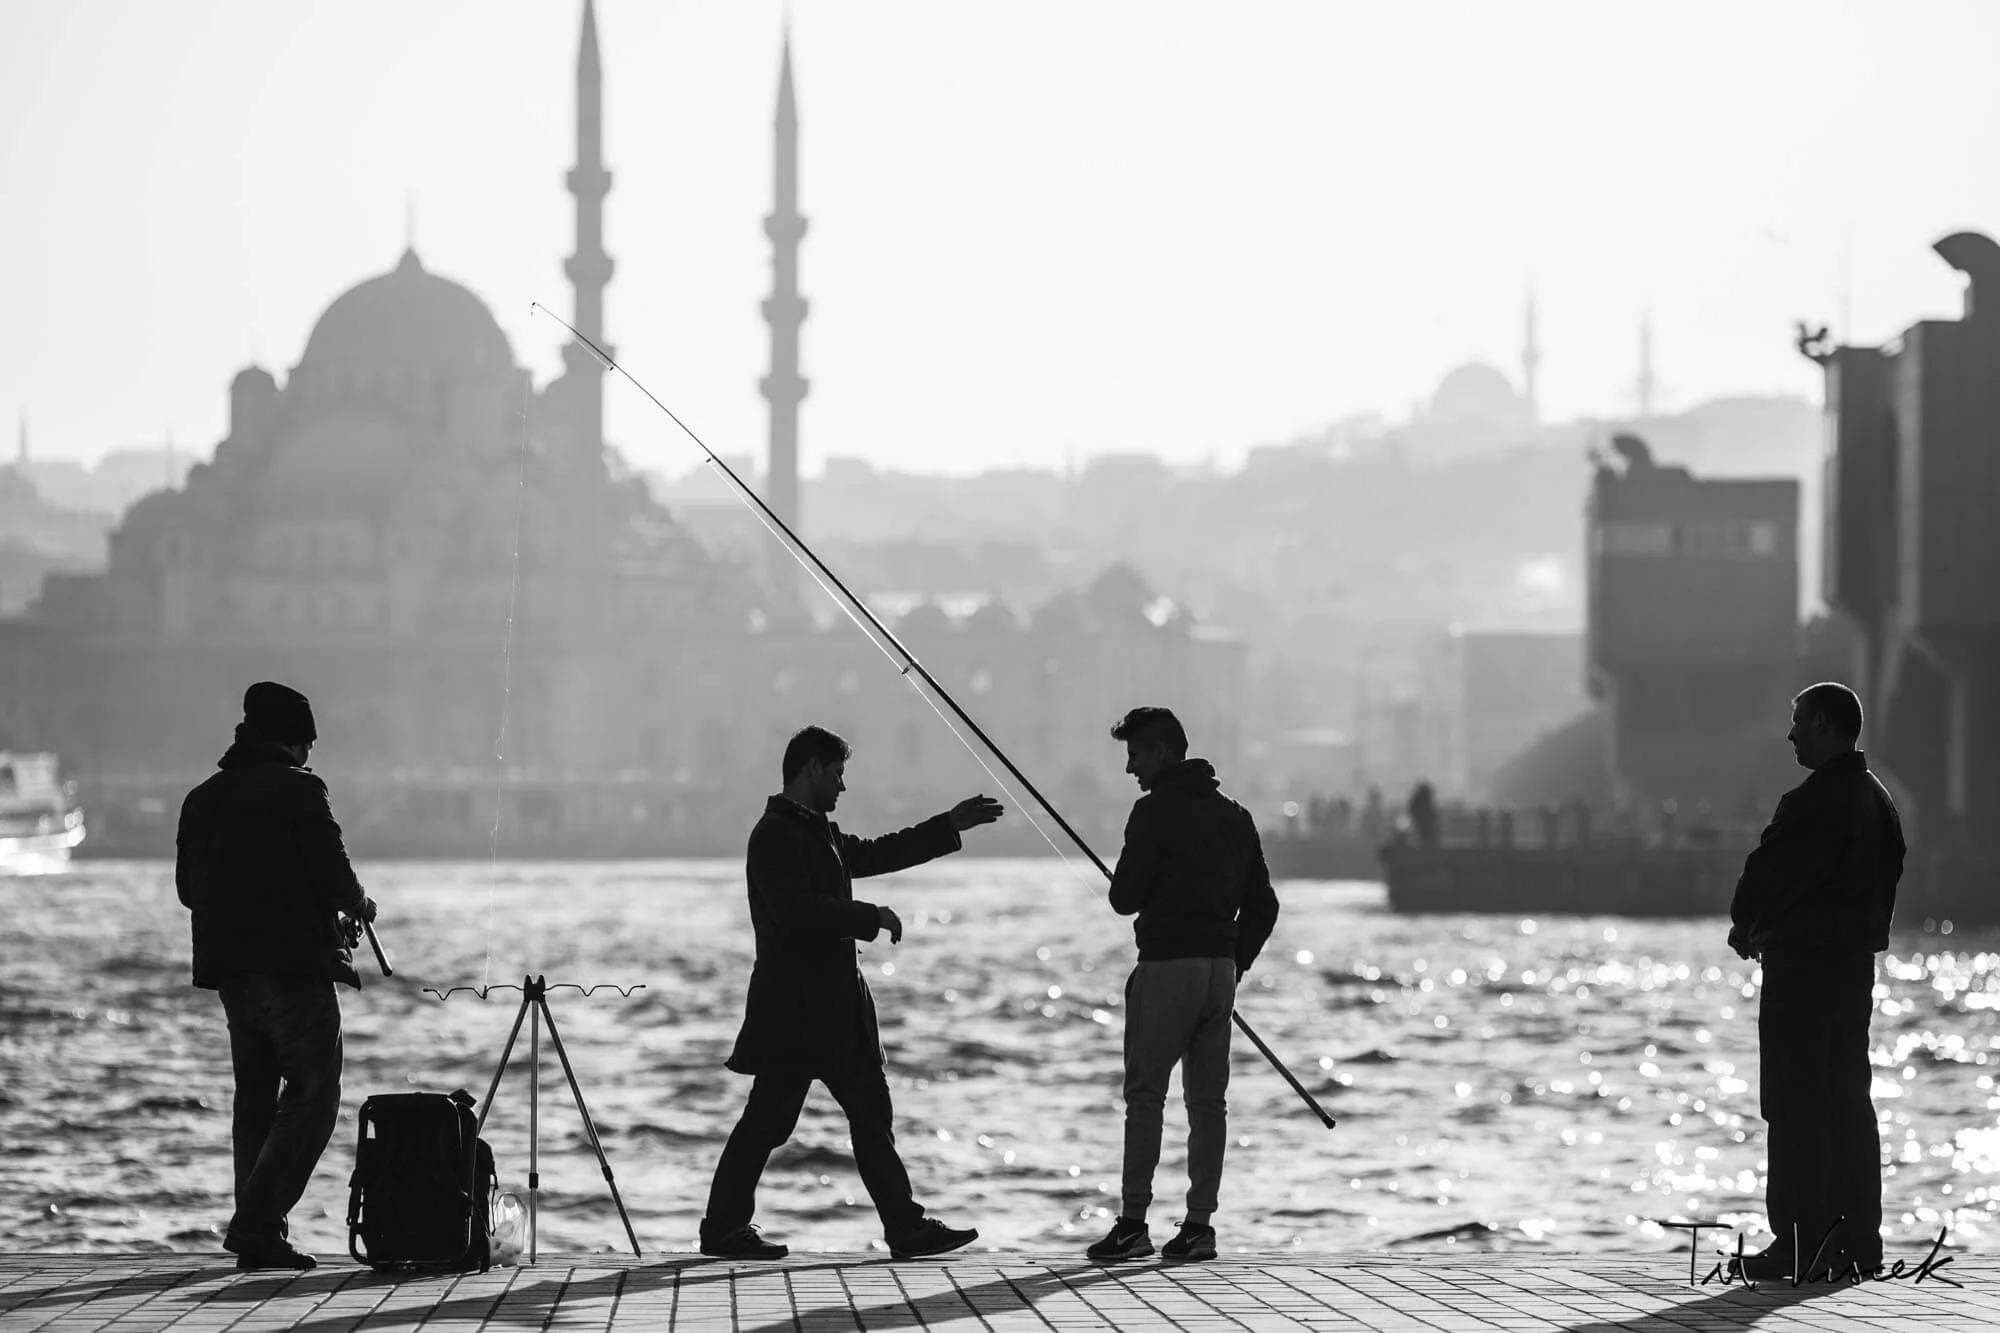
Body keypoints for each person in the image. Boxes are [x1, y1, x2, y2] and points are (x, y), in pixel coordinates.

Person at [699, 724, 1004, 1259]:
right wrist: (872, 915)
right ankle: (723, 1229)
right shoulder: (773, 835)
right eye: (838, 773)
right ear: (812, 768)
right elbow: (799, 912)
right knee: (768, 1123)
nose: (843, 786)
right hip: (796, 1012)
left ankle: (904, 1228)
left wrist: (948, 826)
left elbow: (881, 853)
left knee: (868, 1117)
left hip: (834, 1012)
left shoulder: (819, 832)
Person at [176, 682, 378, 1271]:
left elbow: (190, 891)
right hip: (293, 972)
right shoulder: (300, 791)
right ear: (293, 741)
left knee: (257, 1100)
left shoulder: (202, 799)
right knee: (314, 1095)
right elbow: (334, 873)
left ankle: (260, 1234)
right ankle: (258, 1223)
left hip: (232, 975)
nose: (310, 756)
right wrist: (357, 905)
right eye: (307, 744)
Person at [1088, 706, 1279, 1263]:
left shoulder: (1151, 812)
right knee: (1208, 1103)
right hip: (1220, 973)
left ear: (1164, 753)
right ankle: (1199, 1227)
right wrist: (1233, 961)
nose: (1131, 769)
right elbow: (1263, 904)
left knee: (1146, 1095)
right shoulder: (1236, 815)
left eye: (1136, 755)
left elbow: (1124, 898)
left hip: (1168, 967)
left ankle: (1132, 1225)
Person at [1727, 682, 1904, 1281]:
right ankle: (1858, 1241)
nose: (1792, 732)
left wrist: (1746, 926)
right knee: (1849, 1102)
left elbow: (1768, 874)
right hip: (1852, 973)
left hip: (1801, 971)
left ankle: (1800, 1244)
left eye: (1800, 721)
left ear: (1826, 725)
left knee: (1795, 1103)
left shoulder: (1811, 802)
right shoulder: (1880, 802)